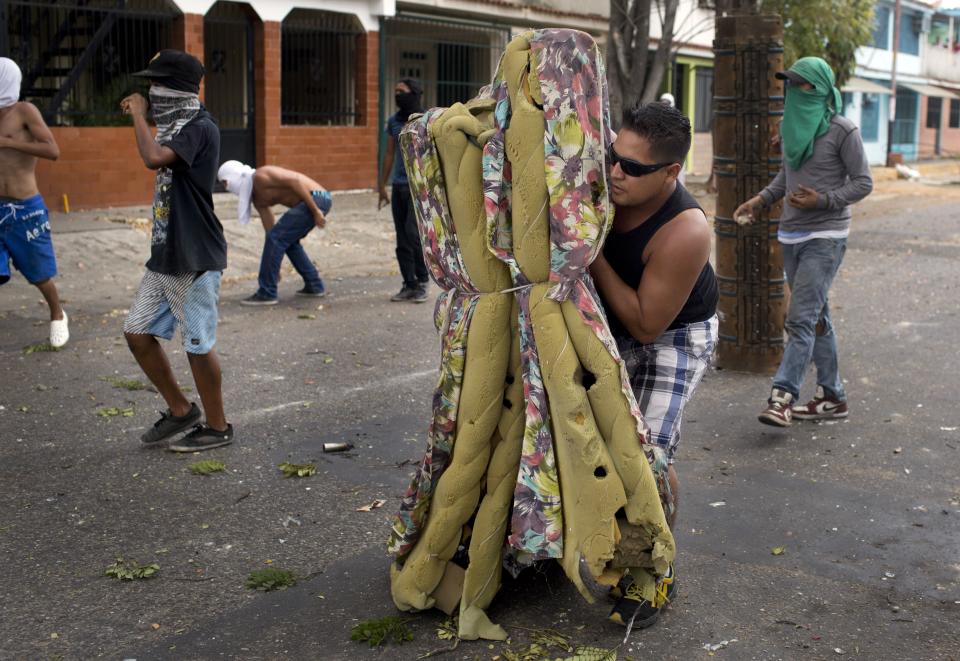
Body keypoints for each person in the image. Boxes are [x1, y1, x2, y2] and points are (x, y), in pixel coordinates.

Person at [590, 101, 718, 627]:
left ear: (670, 172)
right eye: (612, 157)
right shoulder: (605, 180)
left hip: (673, 331)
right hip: (608, 318)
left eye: (634, 168)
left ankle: (651, 569)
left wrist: (589, 251)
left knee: (645, 455)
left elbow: (646, 325)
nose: (616, 173)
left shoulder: (686, 230)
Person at [734, 57, 872, 427]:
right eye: (791, 84)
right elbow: (787, 176)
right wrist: (761, 200)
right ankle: (832, 397)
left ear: (824, 89)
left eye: (804, 84)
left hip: (826, 236)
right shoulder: (790, 127)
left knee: (800, 319)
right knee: (817, 319)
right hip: (791, 234)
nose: (795, 90)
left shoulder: (844, 131)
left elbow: (863, 183)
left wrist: (822, 200)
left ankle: (782, 397)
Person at [120, 50, 233, 452]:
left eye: (157, 83)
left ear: (178, 89)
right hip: (167, 253)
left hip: (196, 254)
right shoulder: (176, 127)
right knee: (136, 332)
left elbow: (153, 159)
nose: (151, 91)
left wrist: (137, 114)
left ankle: (218, 427)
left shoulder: (200, 127)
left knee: (197, 344)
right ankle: (182, 410)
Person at [0, 57, 69, 347]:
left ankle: (57, 314)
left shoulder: (24, 111)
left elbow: (52, 150)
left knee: (39, 274)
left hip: (25, 208)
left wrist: (8, 142)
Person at [217, 160, 330, 305]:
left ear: (233, 176)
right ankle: (314, 285)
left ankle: (267, 292)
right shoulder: (257, 198)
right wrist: (273, 267)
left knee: (278, 238)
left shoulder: (261, 175)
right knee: (285, 241)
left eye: (225, 182)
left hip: (317, 199)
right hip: (313, 202)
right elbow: (271, 232)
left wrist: (315, 211)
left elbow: (295, 181)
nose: (226, 187)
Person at [378, 78, 429, 303]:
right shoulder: (393, 122)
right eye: (395, 91)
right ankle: (409, 283)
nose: (398, 95)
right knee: (401, 237)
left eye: (402, 91)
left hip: (418, 186)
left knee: (413, 233)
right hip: (398, 186)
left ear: (415, 93)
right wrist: (381, 185)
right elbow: (389, 153)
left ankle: (423, 279)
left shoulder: (426, 120)